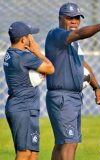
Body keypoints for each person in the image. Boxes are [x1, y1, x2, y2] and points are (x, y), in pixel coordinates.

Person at [45, 2, 100, 160]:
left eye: (77, 18)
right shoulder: (57, 35)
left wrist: (96, 87)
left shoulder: (72, 43)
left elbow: (83, 64)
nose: (74, 21)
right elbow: (79, 34)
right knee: (68, 143)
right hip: (63, 97)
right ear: (60, 18)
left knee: (65, 143)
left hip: (72, 97)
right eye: (70, 18)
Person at [4, 21, 55, 160]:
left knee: (33, 153)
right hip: (23, 108)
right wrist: (36, 51)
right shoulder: (24, 57)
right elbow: (50, 68)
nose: (32, 38)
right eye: (30, 35)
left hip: (22, 107)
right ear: (23, 39)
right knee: (24, 153)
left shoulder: (10, 54)